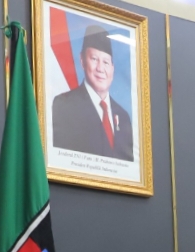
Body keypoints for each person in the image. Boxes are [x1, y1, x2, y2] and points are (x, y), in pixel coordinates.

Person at [51, 25, 135, 161]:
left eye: (106, 62)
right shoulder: (64, 105)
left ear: (112, 68)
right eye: (94, 59)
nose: (100, 68)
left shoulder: (123, 117)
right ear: (82, 61)